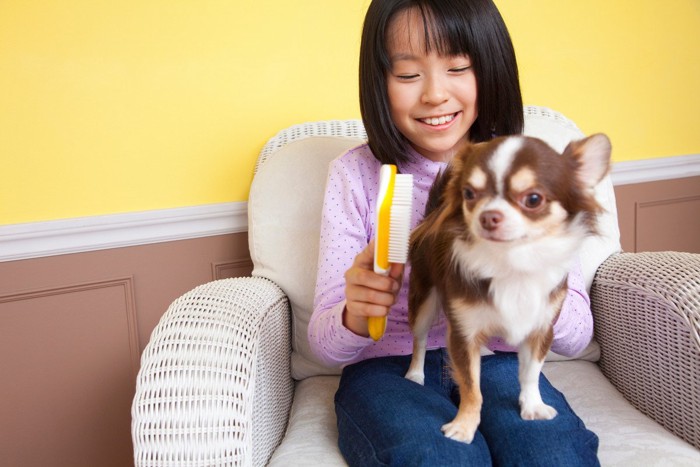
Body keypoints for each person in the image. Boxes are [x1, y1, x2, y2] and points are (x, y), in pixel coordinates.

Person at [309, 0, 600, 465]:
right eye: (408, 75)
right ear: (378, 83)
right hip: (390, 369)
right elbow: (324, 346)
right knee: (436, 457)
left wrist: (538, 277)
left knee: (555, 455)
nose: (434, 94)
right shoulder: (355, 177)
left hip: (503, 360)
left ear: (491, 70)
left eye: (458, 67)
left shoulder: (535, 173)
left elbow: (575, 335)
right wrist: (356, 312)